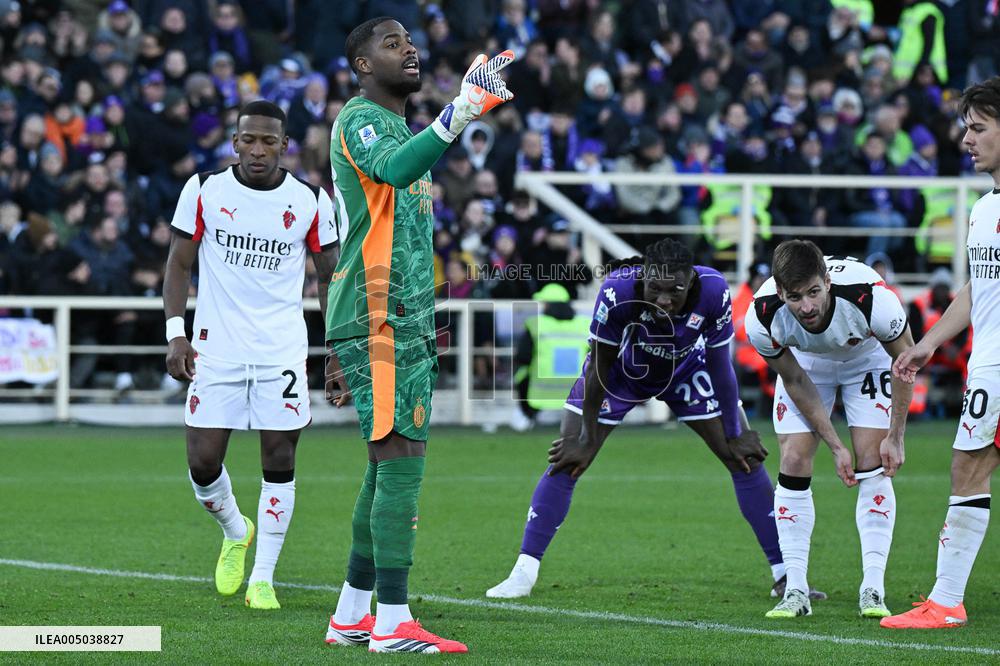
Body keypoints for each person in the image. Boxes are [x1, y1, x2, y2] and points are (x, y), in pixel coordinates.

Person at [321, 17, 513, 654]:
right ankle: (393, 620)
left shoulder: (402, 128)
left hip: (400, 313)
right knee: (402, 459)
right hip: (380, 312)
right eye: (392, 43)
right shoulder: (361, 120)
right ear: (361, 65)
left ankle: (353, 613)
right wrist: (459, 112)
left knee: (386, 462)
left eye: (410, 41)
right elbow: (397, 171)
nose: (410, 50)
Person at [487, 239, 800, 601]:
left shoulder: (714, 290)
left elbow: (720, 365)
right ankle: (523, 574)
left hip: (684, 370)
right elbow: (598, 368)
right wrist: (586, 436)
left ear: (692, 282)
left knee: (742, 458)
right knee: (569, 460)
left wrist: (735, 431)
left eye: (675, 291)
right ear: (644, 278)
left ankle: (784, 574)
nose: (664, 300)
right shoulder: (617, 291)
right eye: (655, 289)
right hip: (620, 373)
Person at [162, 100, 339, 610]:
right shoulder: (204, 190)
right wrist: (177, 333)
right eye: (249, 140)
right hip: (215, 349)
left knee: (279, 459)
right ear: (234, 142)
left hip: (281, 350)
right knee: (202, 463)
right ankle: (236, 530)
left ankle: (263, 577)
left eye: (269, 141)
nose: (258, 150)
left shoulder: (309, 200)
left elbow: (330, 278)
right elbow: (177, 265)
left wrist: (336, 350)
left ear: (285, 147)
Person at [881, 76, 1000, 630]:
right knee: (970, 468)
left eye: (978, 128)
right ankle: (946, 600)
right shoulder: (982, 210)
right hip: (986, 360)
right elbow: (979, 288)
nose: (967, 140)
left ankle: (947, 602)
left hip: (998, 370)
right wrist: (928, 343)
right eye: (965, 129)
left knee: (967, 467)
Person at [744, 240, 915, 619]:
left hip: (865, 358)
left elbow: (906, 363)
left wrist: (897, 435)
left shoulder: (872, 299)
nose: (806, 306)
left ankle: (873, 589)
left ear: (827, 281)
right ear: (779, 290)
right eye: (794, 297)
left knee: (873, 458)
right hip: (807, 367)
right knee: (792, 457)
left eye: (813, 292)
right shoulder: (761, 315)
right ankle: (796, 590)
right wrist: (835, 445)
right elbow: (794, 379)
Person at [511, 282, 591, 431]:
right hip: (578, 395)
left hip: (540, 396)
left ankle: (526, 417)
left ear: (547, 304)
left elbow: (523, 357)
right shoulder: (585, 324)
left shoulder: (535, 324)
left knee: (521, 373)